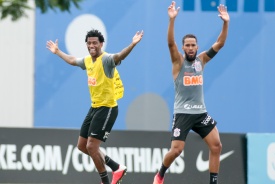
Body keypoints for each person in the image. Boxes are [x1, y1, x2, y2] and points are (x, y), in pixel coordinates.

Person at [46, 29, 144, 184]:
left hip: (108, 108)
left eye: (95, 43)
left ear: (101, 44)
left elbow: (119, 56)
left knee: (92, 146)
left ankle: (105, 181)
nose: (92, 46)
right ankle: (116, 167)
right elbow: (72, 60)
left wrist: (132, 44)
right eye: (89, 43)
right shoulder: (87, 61)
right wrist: (57, 51)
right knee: (82, 146)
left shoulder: (106, 60)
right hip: (94, 108)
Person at [153, 1, 229, 184]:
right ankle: (161, 173)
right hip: (183, 113)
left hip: (200, 113)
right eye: (187, 45)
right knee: (177, 150)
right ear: (183, 47)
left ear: (197, 46)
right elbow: (171, 43)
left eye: (193, 45)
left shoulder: (201, 60)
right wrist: (172, 20)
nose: (190, 48)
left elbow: (220, 43)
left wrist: (226, 22)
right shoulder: (178, 62)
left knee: (217, 146)